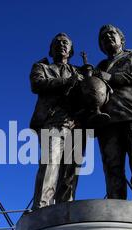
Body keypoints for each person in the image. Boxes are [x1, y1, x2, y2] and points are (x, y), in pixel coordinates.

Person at [95, 24, 132, 203]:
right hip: (108, 121)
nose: (108, 38)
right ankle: (116, 207)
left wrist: (112, 78)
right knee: (112, 166)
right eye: (103, 38)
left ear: (122, 39)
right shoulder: (101, 65)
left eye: (111, 34)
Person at [29, 33, 84, 209]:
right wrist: (67, 82)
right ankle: (42, 208)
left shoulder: (79, 71)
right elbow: (37, 84)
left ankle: (65, 208)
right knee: (50, 164)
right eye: (57, 43)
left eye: (65, 43)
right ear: (51, 50)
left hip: (76, 124)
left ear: (71, 50)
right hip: (52, 121)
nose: (62, 45)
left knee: (71, 171)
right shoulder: (42, 67)